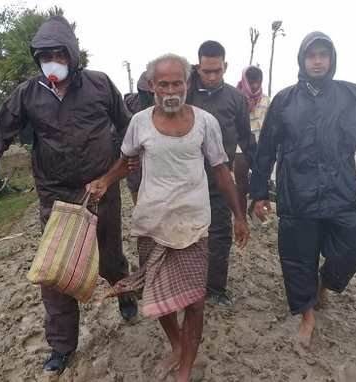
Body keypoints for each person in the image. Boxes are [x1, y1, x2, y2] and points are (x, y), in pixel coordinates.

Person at [0, 16, 137, 374]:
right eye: (45, 55)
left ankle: (124, 292)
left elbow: (128, 126)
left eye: (59, 54)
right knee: (55, 269)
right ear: (37, 58)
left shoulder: (99, 85)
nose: (53, 60)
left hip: (101, 190)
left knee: (111, 257)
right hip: (55, 195)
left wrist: (123, 169)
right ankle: (62, 346)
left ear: (72, 54)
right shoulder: (27, 93)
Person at [86, 53, 249, 382]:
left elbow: (221, 170)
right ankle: (176, 343)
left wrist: (238, 215)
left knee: (195, 302)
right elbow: (126, 161)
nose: (171, 90)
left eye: (178, 83)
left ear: (188, 84)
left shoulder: (205, 123)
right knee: (158, 298)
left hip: (193, 225)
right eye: (164, 84)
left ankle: (186, 370)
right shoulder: (140, 123)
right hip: (153, 224)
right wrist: (105, 180)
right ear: (152, 86)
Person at [251, 31, 356, 346]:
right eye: (311, 55)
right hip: (296, 194)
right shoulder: (284, 101)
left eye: (323, 55)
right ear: (302, 59)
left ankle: (324, 284)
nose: (317, 60)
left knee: (355, 248)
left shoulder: (351, 96)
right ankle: (307, 315)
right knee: (298, 258)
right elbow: (266, 150)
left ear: (331, 59)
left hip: (340, 192)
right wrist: (259, 193)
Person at [186, 40, 255, 307]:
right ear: (198, 67)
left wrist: (257, 181)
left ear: (225, 66)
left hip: (220, 180)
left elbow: (246, 141)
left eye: (217, 70)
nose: (212, 76)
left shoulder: (237, 99)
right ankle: (188, 285)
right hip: (187, 179)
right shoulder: (186, 93)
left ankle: (215, 289)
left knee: (220, 234)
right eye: (206, 71)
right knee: (187, 235)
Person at [234, 66, 270, 214]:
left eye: (258, 82)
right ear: (245, 81)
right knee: (241, 183)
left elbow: (269, 123)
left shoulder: (266, 100)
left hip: (259, 145)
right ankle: (240, 215)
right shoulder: (236, 97)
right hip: (240, 145)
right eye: (251, 82)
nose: (255, 86)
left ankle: (256, 208)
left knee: (260, 179)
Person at [122, 72, 155, 204]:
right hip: (135, 152)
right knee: (135, 182)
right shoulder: (130, 102)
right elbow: (120, 128)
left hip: (158, 152)